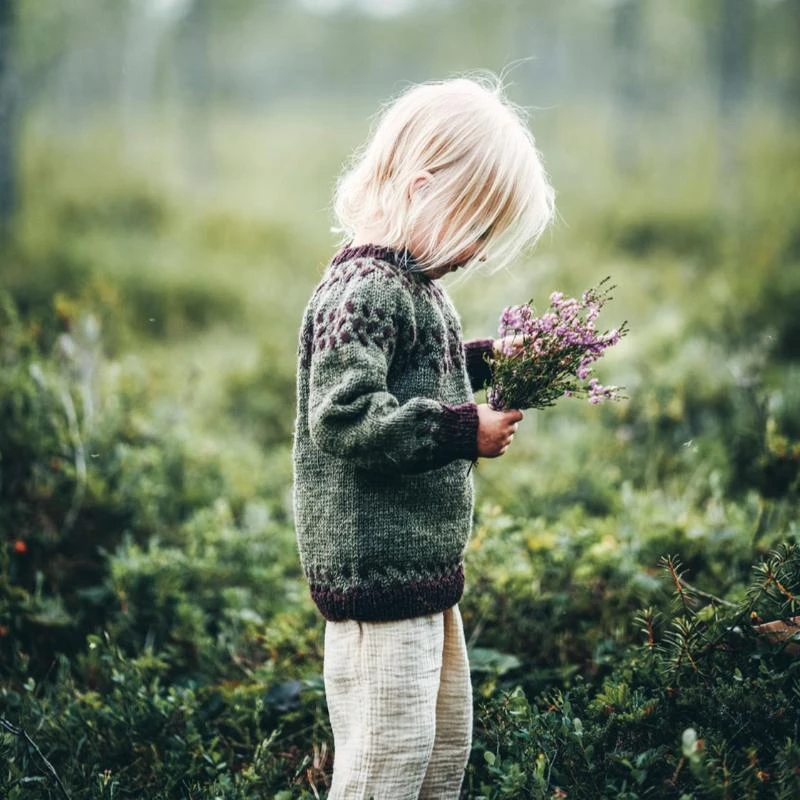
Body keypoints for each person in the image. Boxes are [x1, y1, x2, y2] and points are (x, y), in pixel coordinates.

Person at [292, 74, 555, 799]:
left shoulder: (414, 285)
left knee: (440, 747)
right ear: (421, 190)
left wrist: (486, 361)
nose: (479, 251)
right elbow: (343, 415)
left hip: (422, 570)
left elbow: (418, 372)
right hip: (377, 572)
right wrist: (464, 430)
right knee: (387, 758)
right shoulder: (364, 290)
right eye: (477, 228)